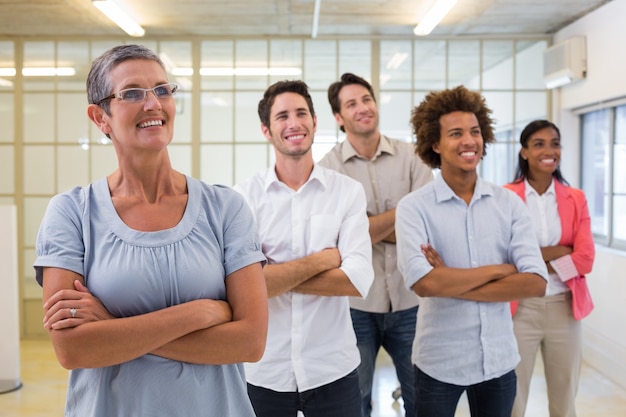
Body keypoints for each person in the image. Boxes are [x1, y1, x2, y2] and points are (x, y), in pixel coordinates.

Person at [33, 44, 268, 417]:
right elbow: (74, 350)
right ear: (100, 117)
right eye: (132, 93)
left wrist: (112, 327)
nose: (153, 104)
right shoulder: (71, 213)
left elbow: (250, 342)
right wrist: (199, 314)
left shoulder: (225, 208)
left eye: (162, 89)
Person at [395, 85, 548, 417]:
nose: (469, 141)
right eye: (456, 133)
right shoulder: (413, 208)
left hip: (499, 361)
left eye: (475, 132)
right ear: (435, 144)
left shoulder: (508, 204)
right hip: (438, 362)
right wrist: (501, 270)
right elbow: (425, 284)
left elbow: (536, 282)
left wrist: (450, 279)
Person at [234, 80, 374, 417]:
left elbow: (356, 280)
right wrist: (324, 261)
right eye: (282, 116)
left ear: (314, 121)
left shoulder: (347, 192)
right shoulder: (243, 198)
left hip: (333, 369)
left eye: (301, 113)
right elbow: (243, 287)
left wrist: (272, 276)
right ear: (266, 130)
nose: (294, 123)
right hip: (265, 370)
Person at [318, 72, 433, 417]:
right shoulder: (327, 169)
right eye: (351, 104)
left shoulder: (414, 157)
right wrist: (402, 215)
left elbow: (425, 229)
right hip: (356, 307)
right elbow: (337, 240)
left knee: (421, 400)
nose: (363, 108)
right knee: (355, 401)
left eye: (366, 99)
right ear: (339, 118)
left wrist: (365, 226)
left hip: (410, 300)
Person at [504, 120, 595, 417]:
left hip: (564, 309)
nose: (549, 150)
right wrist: (558, 253)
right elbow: (503, 259)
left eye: (555, 143)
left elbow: (585, 259)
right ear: (525, 152)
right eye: (539, 144)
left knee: (564, 400)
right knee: (512, 399)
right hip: (519, 308)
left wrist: (530, 260)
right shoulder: (505, 197)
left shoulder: (576, 198)